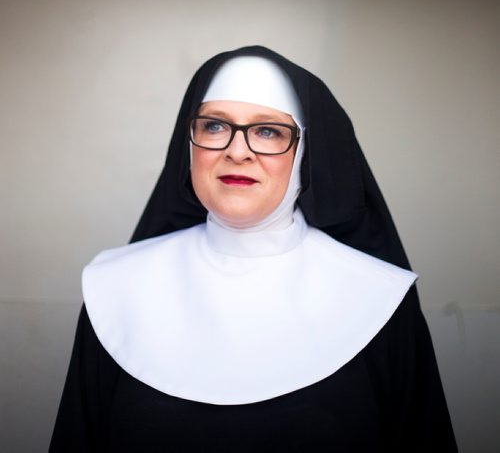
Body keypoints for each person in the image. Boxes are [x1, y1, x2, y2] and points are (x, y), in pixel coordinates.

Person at [50, 45, 457, 451]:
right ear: (188, 145)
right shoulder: (116, 291)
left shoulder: (380, 300)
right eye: (214, 126)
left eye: (268, 131)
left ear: (304, 155)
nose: (237, 150)